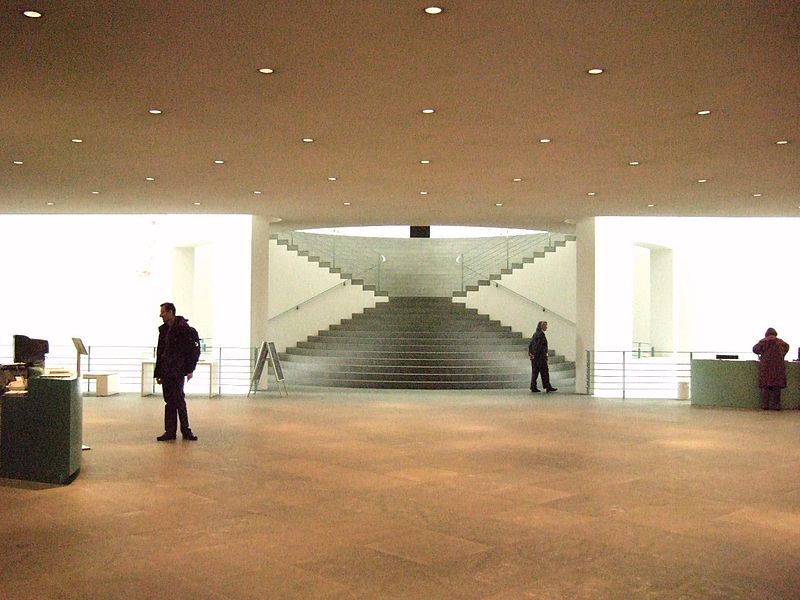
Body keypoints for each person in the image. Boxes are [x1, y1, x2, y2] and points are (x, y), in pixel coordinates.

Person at [154, 302, 200, 440]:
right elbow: (160, 352)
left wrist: (189, 369)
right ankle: (170, 431)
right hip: (166, 370)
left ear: (170, 312)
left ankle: (186, 431)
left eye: (162, 312)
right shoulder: (163, 330)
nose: (160, 315)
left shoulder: (183, 329)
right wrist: (158, 373)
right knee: (169, 401)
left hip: (177, 371)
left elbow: (191, 351)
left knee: (179, 400)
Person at [752, 327, 789, 411]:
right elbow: (787, 346)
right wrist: (782, 354)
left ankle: (765, 405)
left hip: (766, 367)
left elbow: (755, 349)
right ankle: (777, 405)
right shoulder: (780, 341)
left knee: (765, 386)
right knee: (777, 387)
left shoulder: (763, 341)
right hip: (778, 367)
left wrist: (762, 352)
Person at [528, 320, 557, 393]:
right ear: (541, 326)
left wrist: (531, 354)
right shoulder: (541, 335)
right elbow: (539, 346)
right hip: (540, 357)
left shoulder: (535, 334)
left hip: (535, 357)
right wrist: (543, 355)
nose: (546, 327)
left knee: (535, 372)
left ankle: (533, 386)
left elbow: (531, 345)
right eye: (545, 326)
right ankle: (547, 386)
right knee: (544, 372)